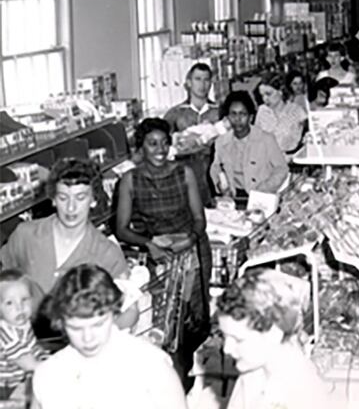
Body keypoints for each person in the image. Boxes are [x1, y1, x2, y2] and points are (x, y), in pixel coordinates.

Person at [115, 118, 211, 386]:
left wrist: (190, 239)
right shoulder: (130, 180)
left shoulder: (184, 173)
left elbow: (199, 219)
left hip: (191, 248)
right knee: (167, 322)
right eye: (152, 144)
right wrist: (150, 244)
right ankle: (174, 381)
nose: (159, 150)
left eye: (164, 143)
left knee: (197, 319)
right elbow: (121, 229)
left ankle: (190, 370)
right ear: (141, 147)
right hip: (160, 255)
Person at [31, 264, 186, 409]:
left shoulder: (151, 365)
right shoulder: (49, 374)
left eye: (98, 325)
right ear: (61, 321)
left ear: (114, 313)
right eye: (75, 328)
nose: (87, 338)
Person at [0, 158, 130, 293]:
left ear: (93, 200)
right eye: (63, 198)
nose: (71, 207)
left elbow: (128, 309)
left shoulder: (108, 254)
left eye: (80, 198)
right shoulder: (25, 235)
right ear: (53, 199)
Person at [216, 268, 335, 409]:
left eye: (238, 339)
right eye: (224, 336)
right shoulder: (253, 372)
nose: (226, 349)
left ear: (274, 333)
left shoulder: (302, 394)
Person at [211, 91, 289, 199]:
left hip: (262, 196)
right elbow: (215, 168)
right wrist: (221, 185)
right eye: (233, 114)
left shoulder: (266, 139)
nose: (238, 119)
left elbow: (282, 170)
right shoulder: (221, 142)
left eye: (243, 114)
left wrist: (262, 190)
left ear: (251, 117)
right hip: (234, 198)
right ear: (228, 117)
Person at [0, 269, 47, 391]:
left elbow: (34, 349)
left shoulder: (24, 324)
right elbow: (29, 364)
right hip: (5, 389)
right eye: (9, 303)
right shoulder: (4, 333)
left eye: (24, 299)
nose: (19, 307)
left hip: (20, 381)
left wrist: (48, 358)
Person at [253, 72, 309, 156]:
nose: (265, 99)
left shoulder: (297, 111)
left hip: (292, 161)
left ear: (280, 91)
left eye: (268, 94)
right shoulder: (262, 111)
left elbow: (308, 139)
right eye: (262, 95)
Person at [163, 62, 219, 132]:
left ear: (211, 83)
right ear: (189, 82)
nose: (202, 84)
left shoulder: (220, 112)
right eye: (198, 79)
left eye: (206, 80)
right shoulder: (175, 114)